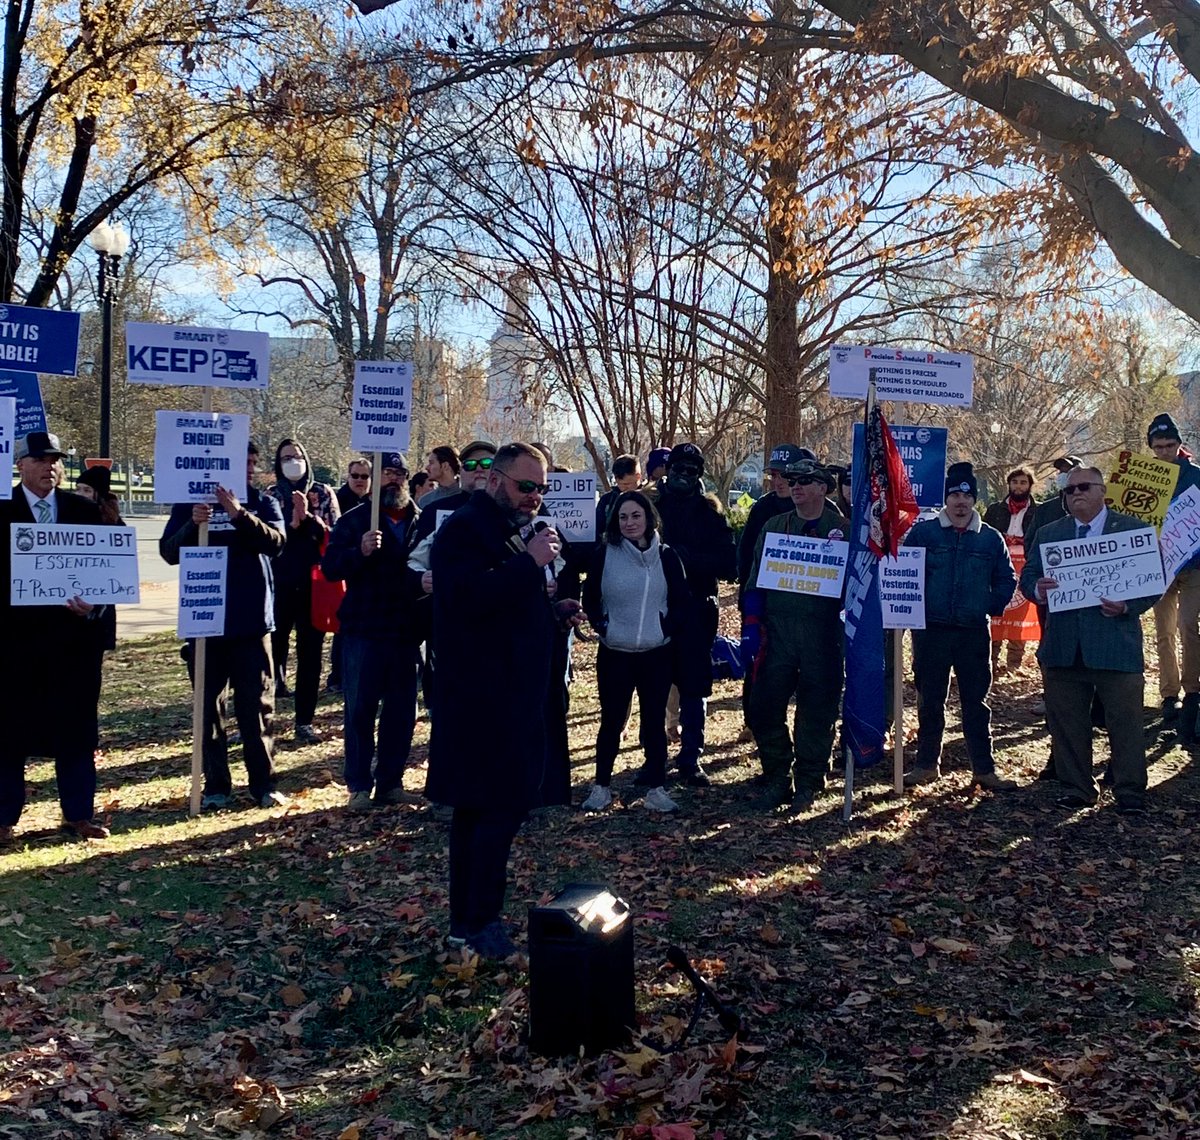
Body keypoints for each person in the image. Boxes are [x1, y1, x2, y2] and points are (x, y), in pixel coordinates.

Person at [425, 442, 583, 958]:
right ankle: (477, 922)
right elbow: (465, 599)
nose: (535, 497)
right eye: (525, 486)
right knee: (493, 810)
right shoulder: (463, 529)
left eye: (541, 488)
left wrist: (553, 609)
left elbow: (509, 604)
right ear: (495, 480)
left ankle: (468, 922)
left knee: (489, 811)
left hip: (515, 694)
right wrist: (529, 564)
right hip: (480, 701)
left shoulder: (514, 528)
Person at [1021, 466, 1157, 814]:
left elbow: (1153, 583)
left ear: (1102, 490)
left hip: (1115, 644)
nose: (1075, 494)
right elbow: (1029, 576)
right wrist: (1037, 589)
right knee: (1067, 722)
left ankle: (1129, 791)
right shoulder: (1051, 533)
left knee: (1125, 722)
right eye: (1069, 490)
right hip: (1065, 645)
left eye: (1083, 487)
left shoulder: (1133, 530)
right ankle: (1077, 787)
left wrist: (1127, 605)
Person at [160, 443, 288, 810]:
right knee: (208, 711)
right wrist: (192, 524)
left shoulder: (264, 503)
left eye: (252, 463)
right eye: (240, 462)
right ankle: (216, 785)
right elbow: (168, 552)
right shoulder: (190, 503)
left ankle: (263, 784)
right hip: (204, 621)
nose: (247, 469)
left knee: (257, 708)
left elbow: (277, 543)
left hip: (250, 623)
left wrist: (237, 513)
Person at [0, 432, 111, 842]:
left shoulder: (83, 510)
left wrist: (95, 606)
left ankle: (78, 815)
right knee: (8, 734)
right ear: (21, 465)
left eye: (56, 460)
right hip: (15, 648)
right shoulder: (2, 511)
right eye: (41, 459)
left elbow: (106, 576)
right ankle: (4, 818)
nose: (51, 466)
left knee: (77, 731)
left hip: (73, 647)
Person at [902, 462, 1018, 790]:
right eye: (954, 494)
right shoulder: (924, 534)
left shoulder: (990, 539)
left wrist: (990, 606)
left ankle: (984, 768)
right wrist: (909, 610)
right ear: (946, 499)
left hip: (973, 632)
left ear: (974, 500)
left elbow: (1007, 577)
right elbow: (905, 572)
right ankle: (926, 764)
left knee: (976, 702)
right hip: (931, 631)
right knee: (930, 699)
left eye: (967, 495)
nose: (960, 501)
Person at [744, 457, 849, 811]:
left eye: (805, 480)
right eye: (792, 480)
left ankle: (809, 781)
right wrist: (751, 625)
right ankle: (777, 775)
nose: (796, 486)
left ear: (822, 487)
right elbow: (755, 577)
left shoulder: (843, 530)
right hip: (778, 633)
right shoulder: (775, 526)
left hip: (824, 634)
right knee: (763, 707)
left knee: (817, 712)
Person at [321, 453, 424, 811]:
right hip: (364, 630)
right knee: (360, 710)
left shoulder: (420, 521)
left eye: (400, 473)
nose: (394, 480)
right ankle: (360, 785)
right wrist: (359, 552)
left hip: (405, 630)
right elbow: (330, 568)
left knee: (401, 712)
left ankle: (391, 782)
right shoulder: (354, 521)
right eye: (387, 473)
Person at [581, 491, 688, 814]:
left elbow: (681, 601)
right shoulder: (605, 554)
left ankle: (657, 788)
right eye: (623, 517)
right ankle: (601, 786)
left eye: (635, 516)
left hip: (656, 653)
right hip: (615, 652)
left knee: (654, 722)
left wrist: (665, 629)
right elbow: (591, 597)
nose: (629, 523)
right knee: (611, 721)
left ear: (648, 518)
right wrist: (605, 627)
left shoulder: (667, 556)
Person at [648, 443, 737, 785]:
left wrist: (686, 558)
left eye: (692, 470)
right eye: (679, 468)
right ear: (668, 470)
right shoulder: (649, 505)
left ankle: (690, 757)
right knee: (654, 686)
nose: (684, 475)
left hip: (698, 608)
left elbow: (730, 564)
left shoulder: (709, 511)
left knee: (695, 686)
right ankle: (654, 759)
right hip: (655, 607)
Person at [266, 439, 340, 742]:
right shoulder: (270, 496)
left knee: (310, 655)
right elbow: (266, 537)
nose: (292, 462)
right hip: (279, 585)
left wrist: (309, 518)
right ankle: (264, 720)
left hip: (313, 586)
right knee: (272, 655)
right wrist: (290, 522)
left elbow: (334, 535)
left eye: (297, 457)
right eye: (286, 457)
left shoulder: (322, 492)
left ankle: (304, 721)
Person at [1145, 413, 1200, 736]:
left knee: (1188, 625)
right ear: (1151, 447)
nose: (1165, 450)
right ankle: (1169, 694)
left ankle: (1193, 690)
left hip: (1194, 564)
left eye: (1170, 445)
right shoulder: (1145, 476)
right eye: (1159, 446)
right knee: (1163, 631)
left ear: (1179, 445)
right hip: (1160, 565)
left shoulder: (1195, 475)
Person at [982, 465, 1038, 676]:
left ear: (1030, 485)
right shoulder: (996, 509)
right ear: (1009, 484)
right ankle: (992, 658)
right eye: (1015, 482)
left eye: (1023, 482)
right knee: (997, 611)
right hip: (1000, 566)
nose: (1018, 486)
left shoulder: (1037, 511)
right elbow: (985, 535)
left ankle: (1014, 662)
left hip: (1027, 566)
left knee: (1020, 614)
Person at [329, 458, 373, 692]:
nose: (359, 481)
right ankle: (337, 675)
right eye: (355, 476)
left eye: (365, 477)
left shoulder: (377, 504)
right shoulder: (340, 502)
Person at [596, 454, 643, 531]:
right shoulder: (607, 500)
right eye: (619, 484)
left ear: (638, 476)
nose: (622, 488)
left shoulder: (651, 497)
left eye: (627, 484)